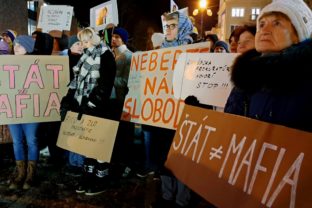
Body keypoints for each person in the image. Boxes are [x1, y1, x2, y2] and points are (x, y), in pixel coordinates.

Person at [224, 0, 312, 134]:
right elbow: (228, 126)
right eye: (262, 24)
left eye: (277, 23)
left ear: (298, 35)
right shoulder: (245, 76)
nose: (264, 30)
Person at [60, 27, 116, 196]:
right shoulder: (85, 56)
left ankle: (101, 180)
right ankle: (88, 177)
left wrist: (92, 102)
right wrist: (69, 99)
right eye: (81, 42)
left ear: (93, 39)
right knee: (86, 145)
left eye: (85, 41)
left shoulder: (105, 55)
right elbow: (77, 80)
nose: (83, 45)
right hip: (82, 105)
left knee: (99, 147)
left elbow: (107, 82)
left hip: (98, 108)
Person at [152, 10, 194, 208]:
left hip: (184, 117)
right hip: (162, 115)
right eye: (166, 26)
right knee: (164, 157)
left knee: (183, 160)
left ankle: (181, 200)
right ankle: (167, 196)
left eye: (172, 26)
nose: (167, 30)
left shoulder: (195, 51)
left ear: (183, 26)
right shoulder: (160, 51)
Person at [8, 35, 38, 190]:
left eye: (20, 45)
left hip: (31, 110)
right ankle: (21, 173)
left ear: (28, 48)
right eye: (15, 45)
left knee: (31, 140)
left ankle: (31, 174)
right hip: (12, 109)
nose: (16, 48)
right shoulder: (5, 63)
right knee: (17, 141)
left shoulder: (37, 64)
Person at [109, 27, 135, 177]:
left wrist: (108, 78)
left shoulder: (129, 56)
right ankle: (116, 162)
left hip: (123, 102)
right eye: (113, 36)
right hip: (112, 102)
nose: (113, 39)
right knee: (115, 135)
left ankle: (127, 165)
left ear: (123, 39)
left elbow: (127, 81)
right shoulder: (112, 55)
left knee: (125, 135)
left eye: (117, 37)